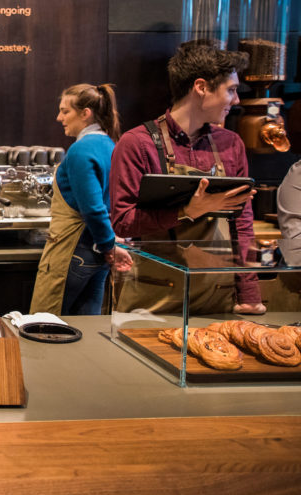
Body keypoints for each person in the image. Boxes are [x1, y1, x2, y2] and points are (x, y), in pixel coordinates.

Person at [110, 44, 264, 315]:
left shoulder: (232, 145)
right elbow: (123, 222)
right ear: (201, 87)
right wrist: (187, 211)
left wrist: (249, 293)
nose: (236, 100)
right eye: (230, 90)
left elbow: (242, 223)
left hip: (218, 295)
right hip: (155, 297)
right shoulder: (137, 143)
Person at [30, 84, 133, 316]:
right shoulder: (111, 145)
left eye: (65, 111)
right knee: (87, 327)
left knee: (45, 325)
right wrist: (109, 244)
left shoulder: (80, 150)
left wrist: (109, 246)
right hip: (96, 255)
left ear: (85, 114)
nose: (59, 118)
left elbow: (93, 208)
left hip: (72, 251)